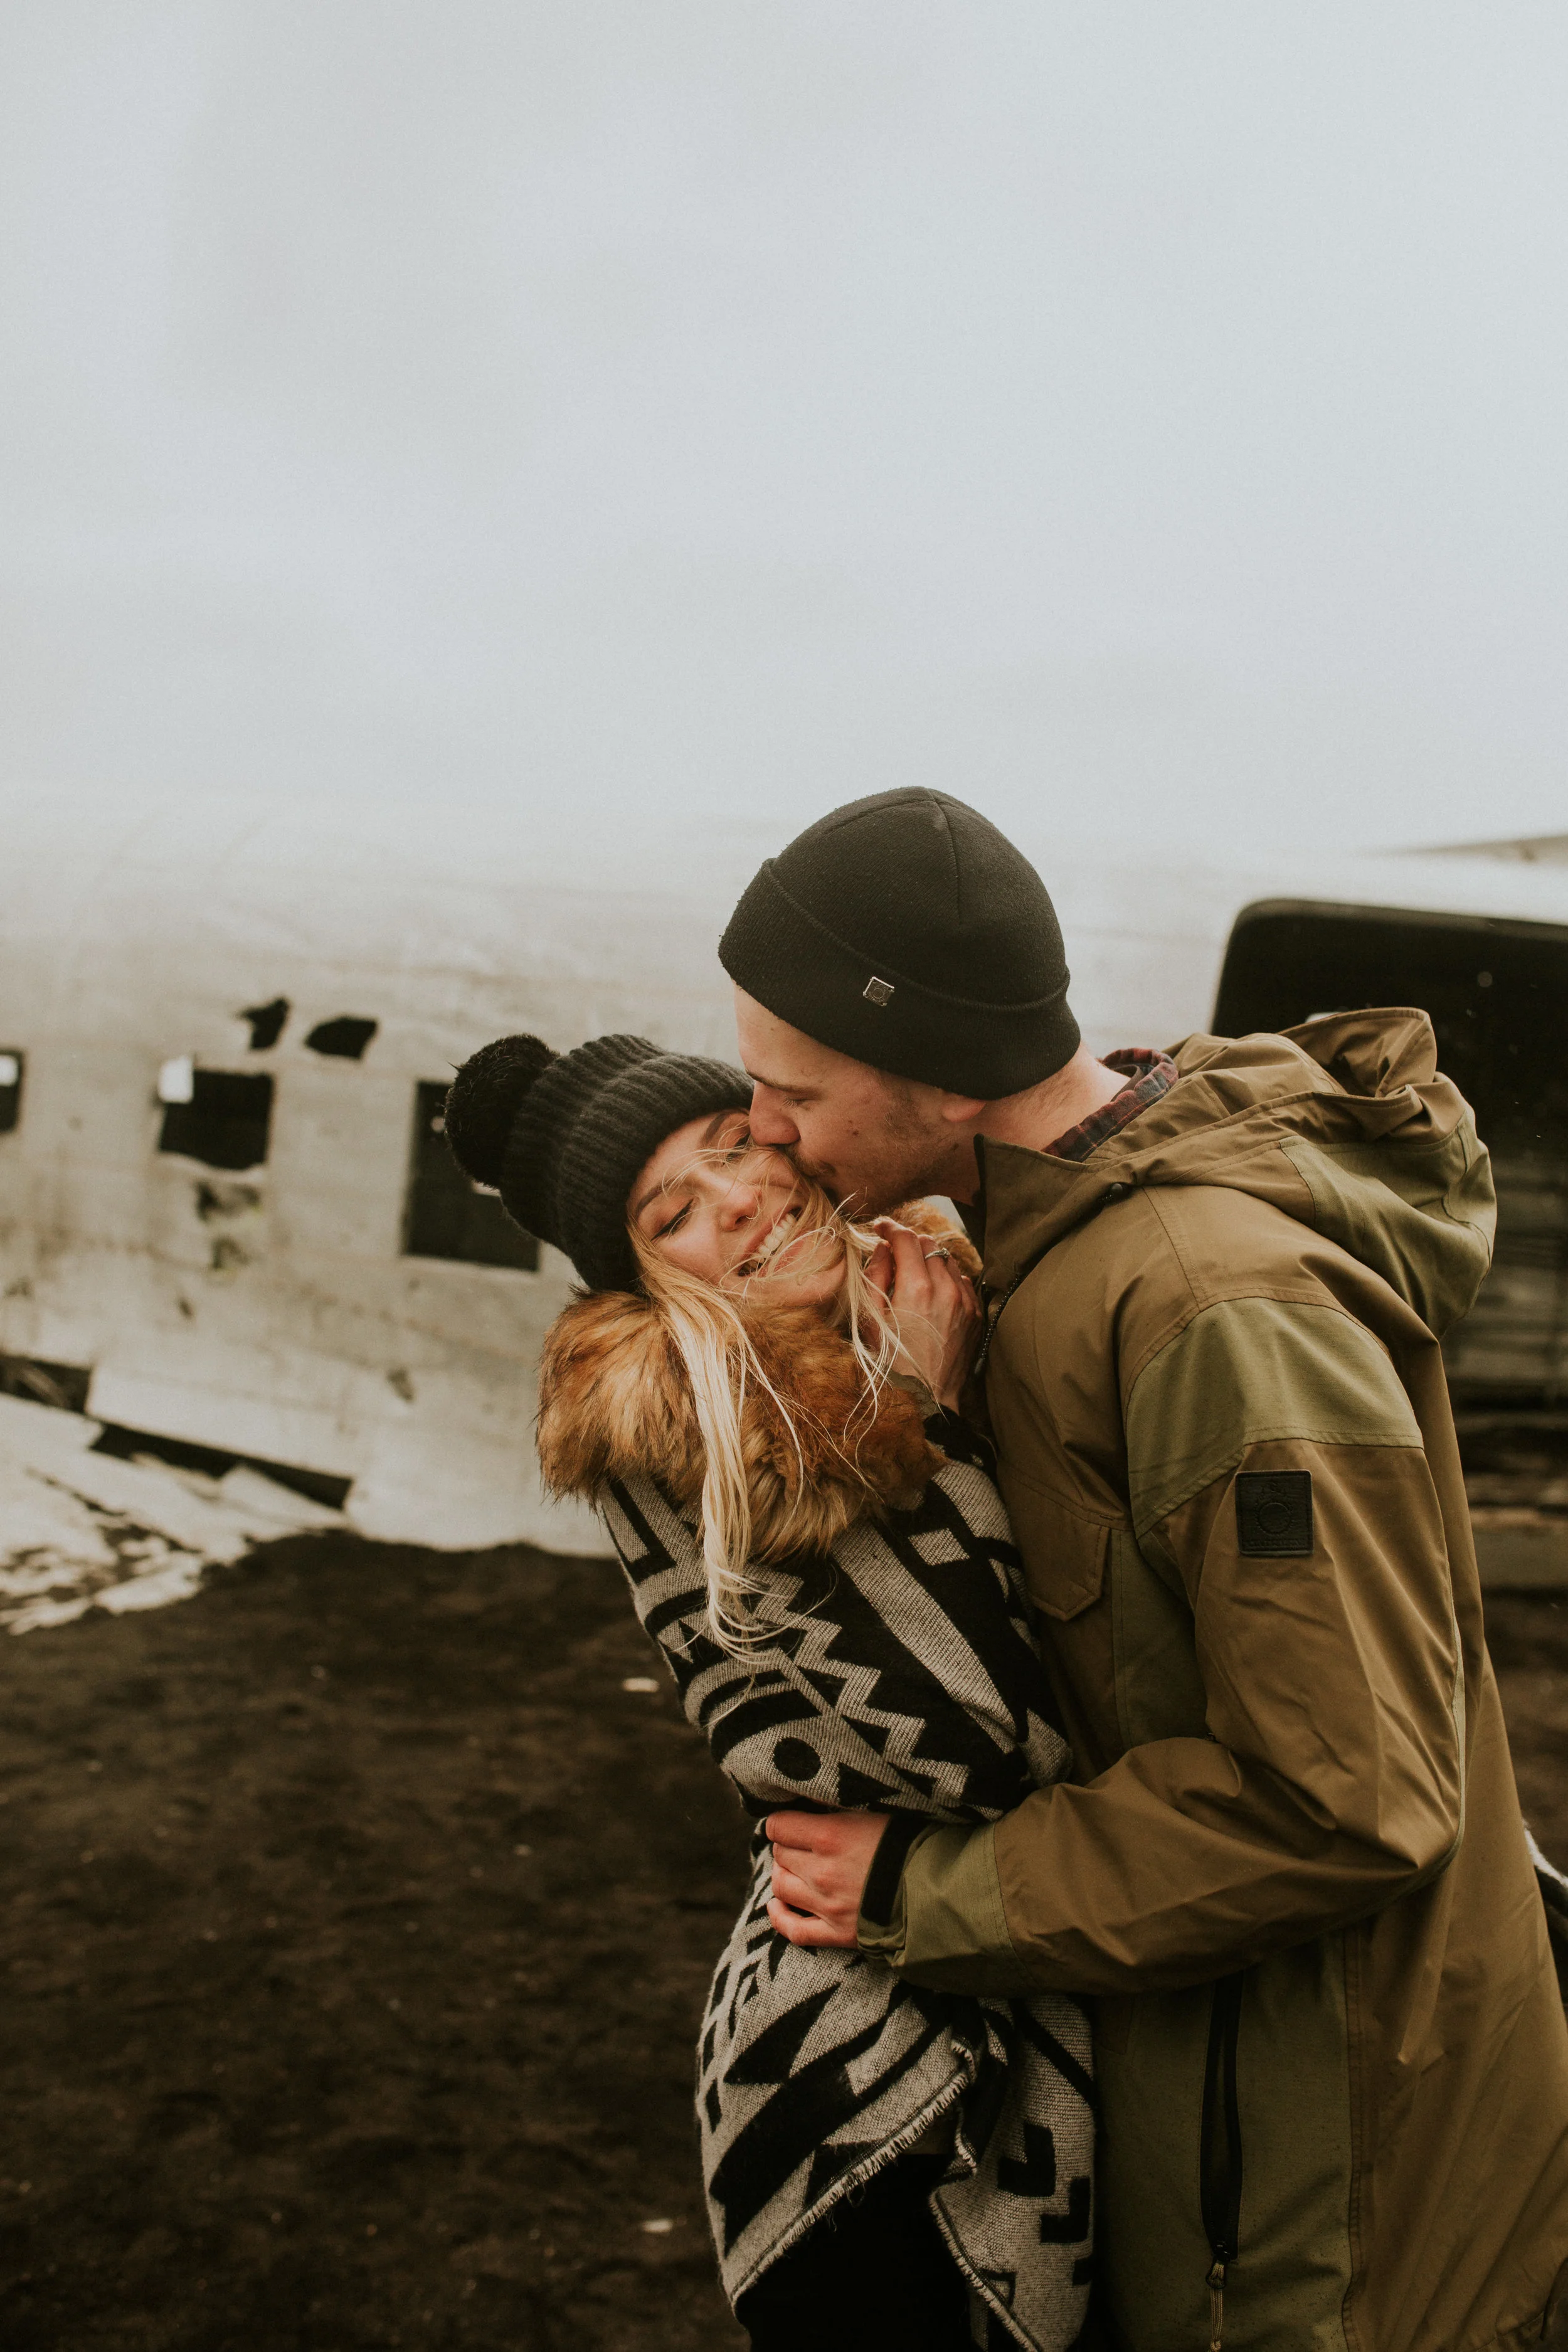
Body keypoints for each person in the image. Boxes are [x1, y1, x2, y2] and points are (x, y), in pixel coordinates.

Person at [716, 787, 1568, 2352]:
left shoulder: (1201, 1306)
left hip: (1331, 2200)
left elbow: (1348, 1791)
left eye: (791, 1093)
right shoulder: (1050, 1255)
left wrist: (924, 1892)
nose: (761, 1130)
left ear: (944, 1081)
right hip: (1229, 2113)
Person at [440, 1029, 1097, 2352]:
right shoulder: (684, 1431)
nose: (735, 1198)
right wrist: (919, 1409)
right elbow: (984, 1743)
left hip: (1015, 1958)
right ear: (640, 1275)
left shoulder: (938, 1299)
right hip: (866, 2096)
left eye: (731, 1146)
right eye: (671, 1212)